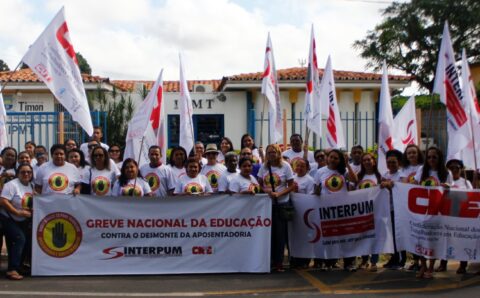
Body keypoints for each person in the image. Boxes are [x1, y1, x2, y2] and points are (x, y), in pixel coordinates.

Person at [314, 149, 358, 271]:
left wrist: (347, 164)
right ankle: (329, 262)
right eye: (331, 157)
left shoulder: (344, 172)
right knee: (329, 237)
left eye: (336, 158)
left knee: (345, 236)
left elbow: (355, 180)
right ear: (327, 158)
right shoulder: (320, 172)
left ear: (340, 160)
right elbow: (316, 190)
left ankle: (349, 262)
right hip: (327, 210)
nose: (333, 160)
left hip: (343, 209)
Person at [413, 146, 452, 279]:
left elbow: (450, 192)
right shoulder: (421, 170)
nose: (431, 159)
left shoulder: (446, 173)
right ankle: (423, 265)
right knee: (420, 239)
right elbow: (414, 186)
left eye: (434, 157)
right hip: (422, 212)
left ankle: (431, 267)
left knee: (433, 240)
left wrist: (447, 187)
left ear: (439, 158)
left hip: (437, 213)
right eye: (428, 157)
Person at [257, 144, 295, 272]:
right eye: (269, 152)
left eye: (274, 152)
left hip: (282, 204)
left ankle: (279, 263)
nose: (271, 154)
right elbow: (259, 183)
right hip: (268, 205)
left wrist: (278, 194)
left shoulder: (285, 166)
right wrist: (265, 191)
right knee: (269, 235)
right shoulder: (264, 167)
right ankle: (270, 261)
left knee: (280, 235)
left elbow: (292, 186)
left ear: (278, 153)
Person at [435, 159, 472, 274]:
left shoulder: (466, 183)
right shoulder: (444, 181)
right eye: (451, 168)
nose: (454, 170)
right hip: (446, 216)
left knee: (462, 241)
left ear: (461, 170)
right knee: (445, 240)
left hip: (461, 217)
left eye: (457, 167)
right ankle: (443, 264)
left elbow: (471, 197)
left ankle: (463, 265)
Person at [0, 163, 34, 280]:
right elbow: (4, 201)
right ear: (17, 174)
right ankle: (12, 270)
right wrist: (18, 212)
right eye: (23, 172)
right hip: (8, 218)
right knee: (20, 239)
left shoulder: (31, 186)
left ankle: (17, 266)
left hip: (23, 221)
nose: (26, 174)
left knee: (23, 242)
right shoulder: (11, 185)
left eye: (28, 172)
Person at [355, 153, 382, 272]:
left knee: (375, 237)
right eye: (364, 160)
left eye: (369, 160)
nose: (367, 162)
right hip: (361, 212)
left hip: (376, 212)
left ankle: (374, 262)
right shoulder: (359, 176)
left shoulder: (380, 176)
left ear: (374, 161)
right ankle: (364, 260)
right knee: (363, 237)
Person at [380, 149, 406, 270]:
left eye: (393, 162)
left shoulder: (402, 175)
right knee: (389, 235)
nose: (390, 164)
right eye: (388, 162)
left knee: (398, 235)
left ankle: (401, 259)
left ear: (398, 162)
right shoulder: (384, 175)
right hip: (387, 209)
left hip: (398, 210)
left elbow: (400, 191)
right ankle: (393, 257)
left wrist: (390, 186)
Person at [401, 144, 424, 271]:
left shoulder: (423, 167)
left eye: (414, 152)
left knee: (421, 234)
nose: (411, 155)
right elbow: (403, 186)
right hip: (409, 205)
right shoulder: (404, 169)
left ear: (418, 153)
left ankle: (423, 261)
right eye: (409, 153)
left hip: (422, 204)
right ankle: (416, 260)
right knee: (413, 234)